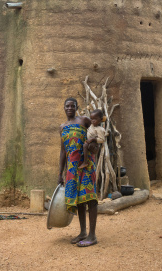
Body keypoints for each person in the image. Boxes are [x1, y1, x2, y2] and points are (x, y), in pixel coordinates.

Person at [58, 97, 99, 247]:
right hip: (72, 168)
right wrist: (59, 174)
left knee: (90, 198)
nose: (69, 108)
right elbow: (63, 151)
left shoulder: (84, 121)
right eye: (67, 106)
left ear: (76, 107)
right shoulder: (62, 127)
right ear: (64, 108)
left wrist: (94, 145)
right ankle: (83, 232)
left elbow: (95, 135)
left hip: (86, 165)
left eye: (72, 106)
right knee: (79, 200)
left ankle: (92, 235)